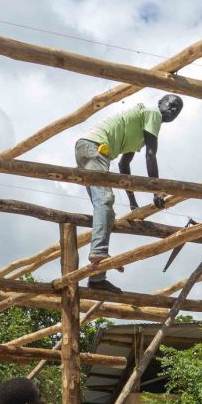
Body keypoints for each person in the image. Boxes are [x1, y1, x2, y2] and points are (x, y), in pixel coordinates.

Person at [74, 94, 183, 292]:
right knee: (105, 200)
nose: (173, 110)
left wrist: (133, 202)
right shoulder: (152, 114)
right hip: (94, 148)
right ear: (160, 103)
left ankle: (97, 279)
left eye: (177, 110)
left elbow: (124, 165)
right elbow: (151, 154)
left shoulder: (138, 130)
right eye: (171, 104)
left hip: (88, 149)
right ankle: (98, 251)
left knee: (106, 210)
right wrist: (157, 190)